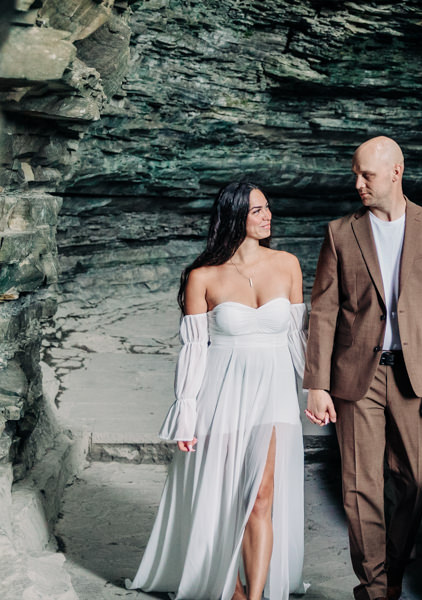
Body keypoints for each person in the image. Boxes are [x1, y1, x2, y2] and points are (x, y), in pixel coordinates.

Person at [303, 136, 422, 600]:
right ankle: (375, 590)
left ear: (396, 171)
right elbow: (324, 310)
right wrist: (316, 384)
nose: (358, 184)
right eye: (355, 174)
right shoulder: (340, 233)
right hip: (357, 377)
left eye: (366, 175)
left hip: (415, 375)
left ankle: (393, 568)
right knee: (360, 485)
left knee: (416, 479)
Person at [128, 181, 308, 600]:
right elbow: (193, 351)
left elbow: (298, 339)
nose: (268, 217)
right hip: (222, 395)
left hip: (275, 395)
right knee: (225, 497)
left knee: (262, 498)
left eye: (268, 208)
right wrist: (186, 413)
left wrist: (315, 390)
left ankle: (257, 594)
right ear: (234, 218)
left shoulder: (287, 265)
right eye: (257, 210)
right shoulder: (202, 276)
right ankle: (232, 587)